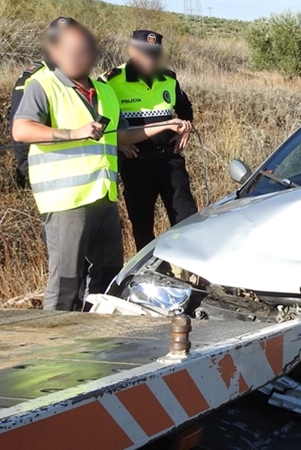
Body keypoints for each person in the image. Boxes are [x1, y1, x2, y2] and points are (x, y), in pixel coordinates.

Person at [11, 23, 187, 311]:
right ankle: (55, 347)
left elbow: (119, 135)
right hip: (66, 201)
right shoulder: (43, 85)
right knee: (67, 280)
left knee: (108, 273)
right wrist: (72, 133)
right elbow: (21, 130)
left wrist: (164, 125)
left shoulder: (103, 90)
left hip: (103, 197)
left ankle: (95, 337)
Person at [102, 30, 197, 250]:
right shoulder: (112, 81)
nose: (150, 58)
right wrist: (117, 140)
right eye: (144, 53)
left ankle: (189, 271)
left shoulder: (169, 78)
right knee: (142, 226)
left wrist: (186, 129)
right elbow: (98, 117)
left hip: (169, 160)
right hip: (136, 163)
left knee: (187, 221)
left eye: (155, 53)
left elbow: (184, 107)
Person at [9, 17, 76, 188]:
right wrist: (25, 169)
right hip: (45, 170)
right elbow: (20, 131)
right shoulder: (34, 78)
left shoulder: (84, 79)